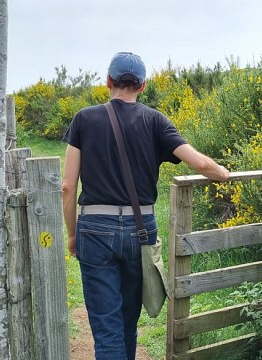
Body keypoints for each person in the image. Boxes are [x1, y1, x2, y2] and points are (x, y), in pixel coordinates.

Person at [61, 52, 230, 360]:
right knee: (128, 321)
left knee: (107, 326)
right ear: (142, 86)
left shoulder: (84, 119)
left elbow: (68, 187)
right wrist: (223, 173)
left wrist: (72, 234)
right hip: (141, 230)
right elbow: (201, 163)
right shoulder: (155, 120)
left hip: (95, 230)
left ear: (108, 81)